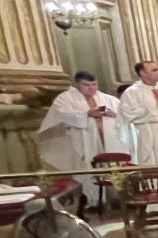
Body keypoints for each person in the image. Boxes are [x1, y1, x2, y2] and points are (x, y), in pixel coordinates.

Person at [36, 71, 128, 207]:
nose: (91, 88)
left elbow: (124, 114)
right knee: (86, 168)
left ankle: (116, 199)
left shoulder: (108, 99)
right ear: (76, 84)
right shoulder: (65, 98)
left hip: (109, 142)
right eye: (86, 85)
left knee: (114, 168)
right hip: (83, 141)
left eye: (94, 84)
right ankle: (93, 202)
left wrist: (113, 114)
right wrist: (86, 114)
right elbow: (61, 115)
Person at [117, 60, 158, 166]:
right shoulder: (132, 92)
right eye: (154, 70)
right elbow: (128, 114)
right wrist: (153, 110)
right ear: (143, 73)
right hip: (147, 132)